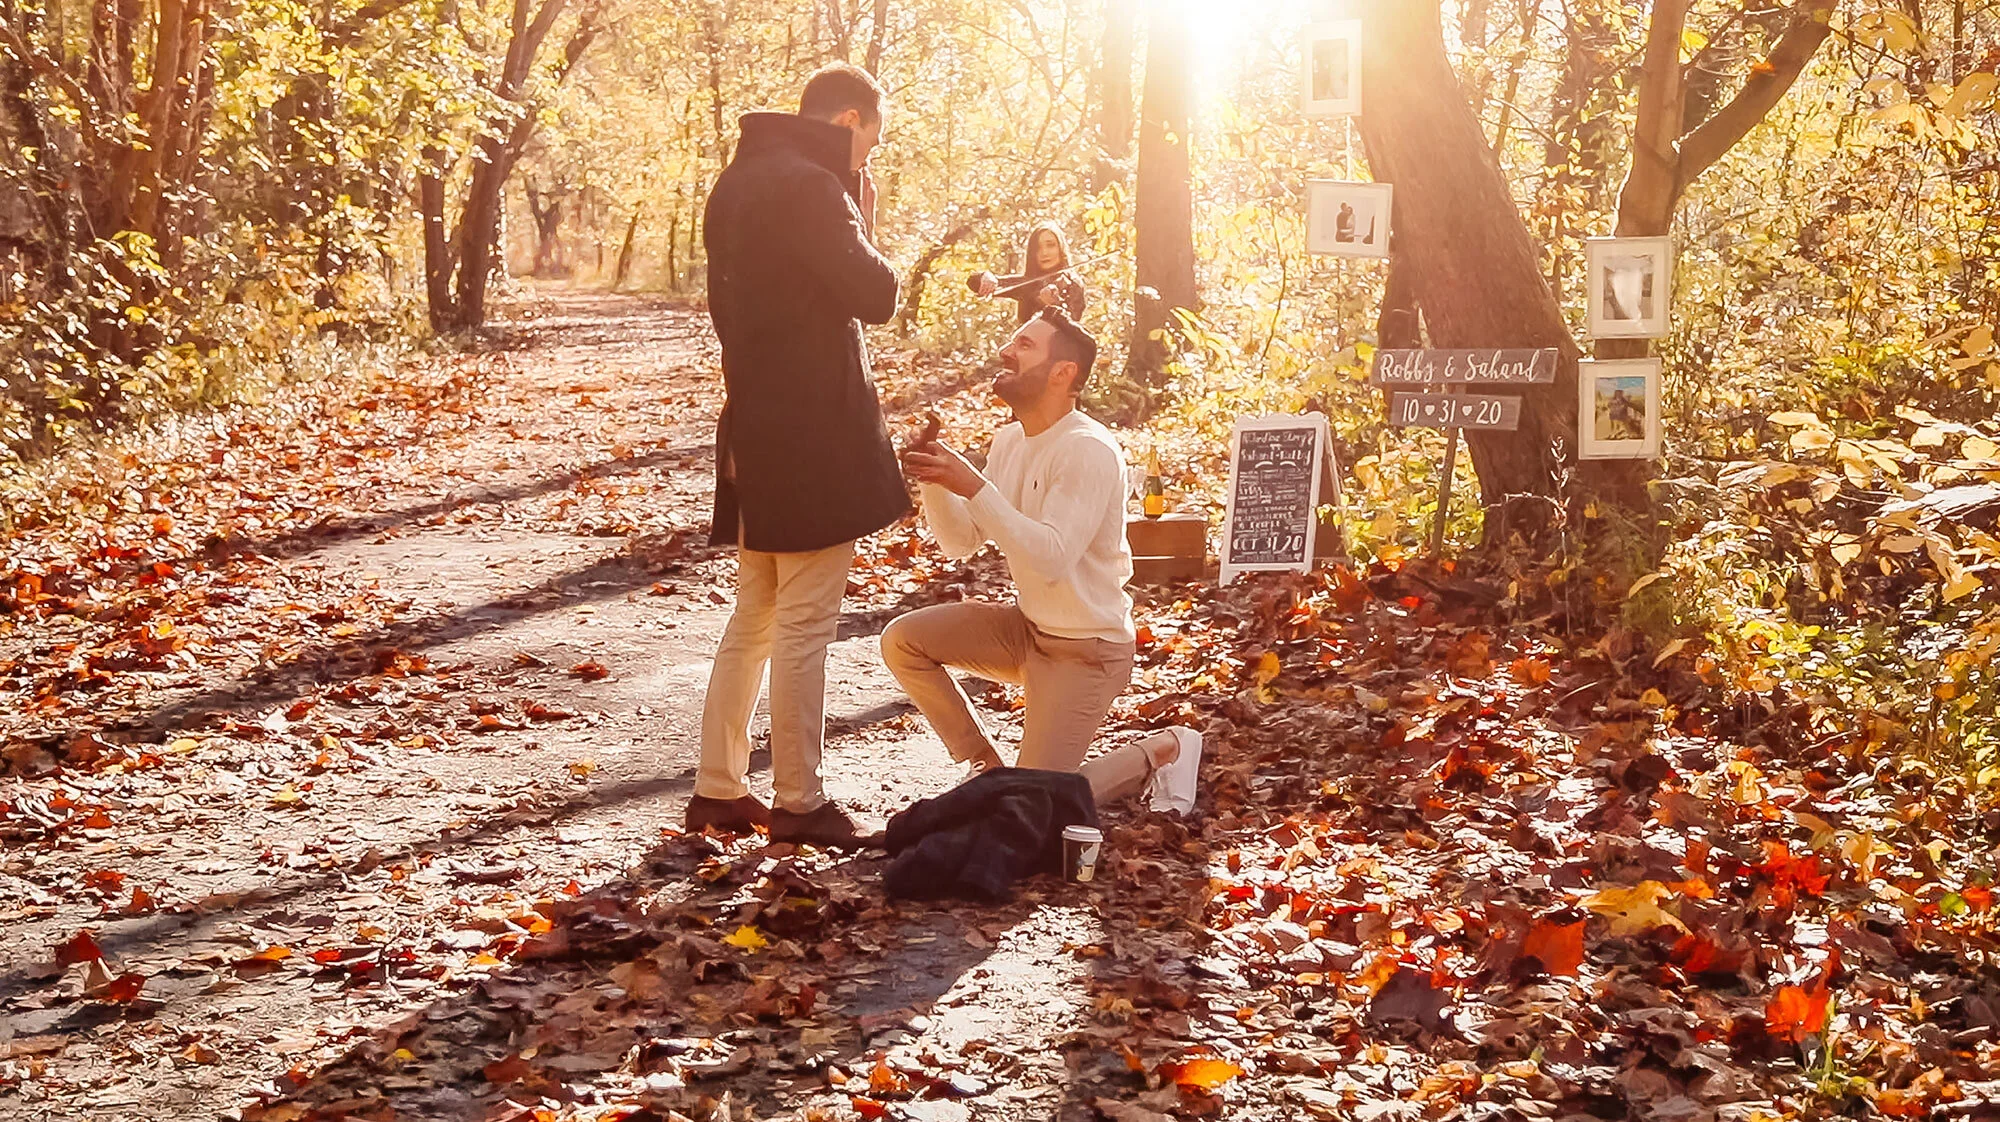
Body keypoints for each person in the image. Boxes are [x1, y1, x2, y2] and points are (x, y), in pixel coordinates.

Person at [689, 62, 909, 848]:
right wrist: (864, 214)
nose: (867, 159)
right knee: (806, 623)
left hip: (753, 425)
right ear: (850, 120)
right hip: (813, 434)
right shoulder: (816, 188)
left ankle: (718, 786)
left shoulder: (738, 180)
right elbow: (878, 296)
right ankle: (799, 800)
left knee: (757, 613)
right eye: (870, 140)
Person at [886, 308, 1188, 803]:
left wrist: (974, 485)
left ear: (1063, 372)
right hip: (1029, 633)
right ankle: (985, 766)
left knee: (1034, 804)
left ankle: (1164, 749)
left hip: (1088, 651)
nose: (1006, 352)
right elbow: (961, 541)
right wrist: (938, 482)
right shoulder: (1009, 440)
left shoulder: (1087, 449)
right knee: (903, 642)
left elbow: (1050, 557)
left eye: (1024, 345)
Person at [968, 224, 1087, 324]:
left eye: (1050, 245)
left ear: (1061, 249)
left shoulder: (1072, 283)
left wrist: (1054, 304)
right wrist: (986, 276)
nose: (1044, 252)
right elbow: (975, 283)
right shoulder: (1028, 283)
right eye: (1037, 248)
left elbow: (1072, 326)